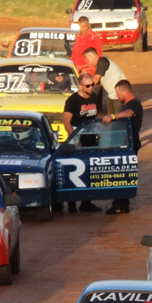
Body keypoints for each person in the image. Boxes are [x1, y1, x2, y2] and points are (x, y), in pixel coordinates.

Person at [101, 79, 143, 214]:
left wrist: (112, 116)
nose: (117, 97)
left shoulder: (134, 104)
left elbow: (128, 114)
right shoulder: (128, 104)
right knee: (122, 174)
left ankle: (120, 204)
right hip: (125, 145)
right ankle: (121, 203)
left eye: (118, 94)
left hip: (128, 146)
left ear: (124, 92)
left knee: (121, 174)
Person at [62, 73, 100, 213]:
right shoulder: (73, 101)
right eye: (87, 86)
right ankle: (72, 204)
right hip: (77, 139)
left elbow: (95, 117)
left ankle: (86, 202)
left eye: (92, 85)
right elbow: (66, 121)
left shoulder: (94, 97)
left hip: (91, 138)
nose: (91, 88)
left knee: (90, 171)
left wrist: (97, 135)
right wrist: (75, 139)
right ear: (80, 86)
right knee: (75, 171)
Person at [84, 47, 126, 115]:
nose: (86, 61)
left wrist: (84, 89)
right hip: (112, 95)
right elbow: (100, 83)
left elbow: (96, 80)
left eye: (86, 59)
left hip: (119, 95)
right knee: (111, 118)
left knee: (118, 119)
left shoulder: (102, 61)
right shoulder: (101, 64)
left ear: (91, 56)